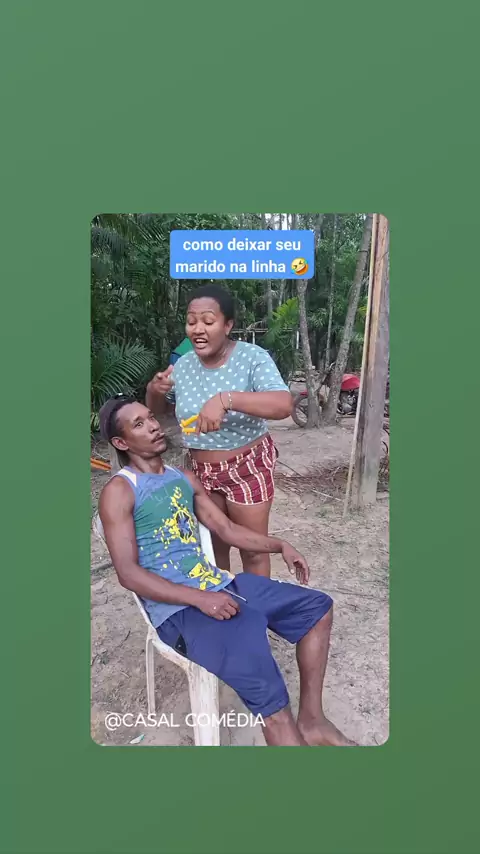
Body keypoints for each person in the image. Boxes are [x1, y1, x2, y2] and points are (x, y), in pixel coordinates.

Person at [98, 396, 354, 747]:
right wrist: (200, 599)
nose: (154, 426)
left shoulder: (183, 478)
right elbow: (128, 574)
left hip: (220, 586)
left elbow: (227, 529)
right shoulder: (120, 490)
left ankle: (312, 720)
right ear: (121, 442)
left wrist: (278, 544)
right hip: (179, 610)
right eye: (139, 424)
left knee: (317, 609)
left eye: (151, 417)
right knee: (267, 685)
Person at [146, 284, 292, 578]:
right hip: (200, 471)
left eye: (208, 321)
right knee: (212, 549)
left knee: (253, 550)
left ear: (227, 325)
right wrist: (154, 390)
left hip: (246, 467)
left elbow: (283, 404)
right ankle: (224, 603)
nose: (198, 329)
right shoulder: (183, 365)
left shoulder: (252, 358)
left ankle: (257, 606)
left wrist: (226, 400)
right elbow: (158, 412)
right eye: (191, 321)